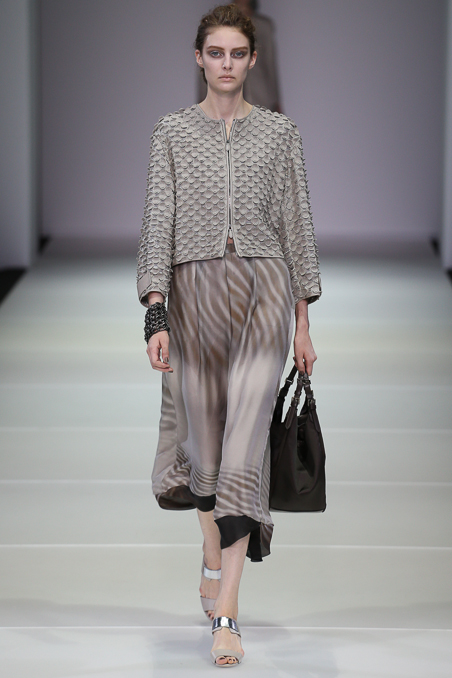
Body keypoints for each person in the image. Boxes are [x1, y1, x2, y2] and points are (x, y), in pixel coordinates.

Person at [136, 3, 321, 667]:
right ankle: (211, 552)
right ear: (198, 58)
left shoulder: (279, 132)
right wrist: (155, 312)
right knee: (205, 449)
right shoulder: (171, 132)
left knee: (245, 449)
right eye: (215, 52)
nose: (226, 64)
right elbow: (157, 220)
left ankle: (228, 612)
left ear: (252, 59)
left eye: (237, 53)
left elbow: (298, 223)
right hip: (194, 298)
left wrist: (303, 321)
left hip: (263, 291)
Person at [198, 0, 283, 112]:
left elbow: (269, 63)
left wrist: (275, 101)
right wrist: (202, 98)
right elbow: (206, 62)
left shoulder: (263, 26)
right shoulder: (219, 25)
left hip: (258, 92)